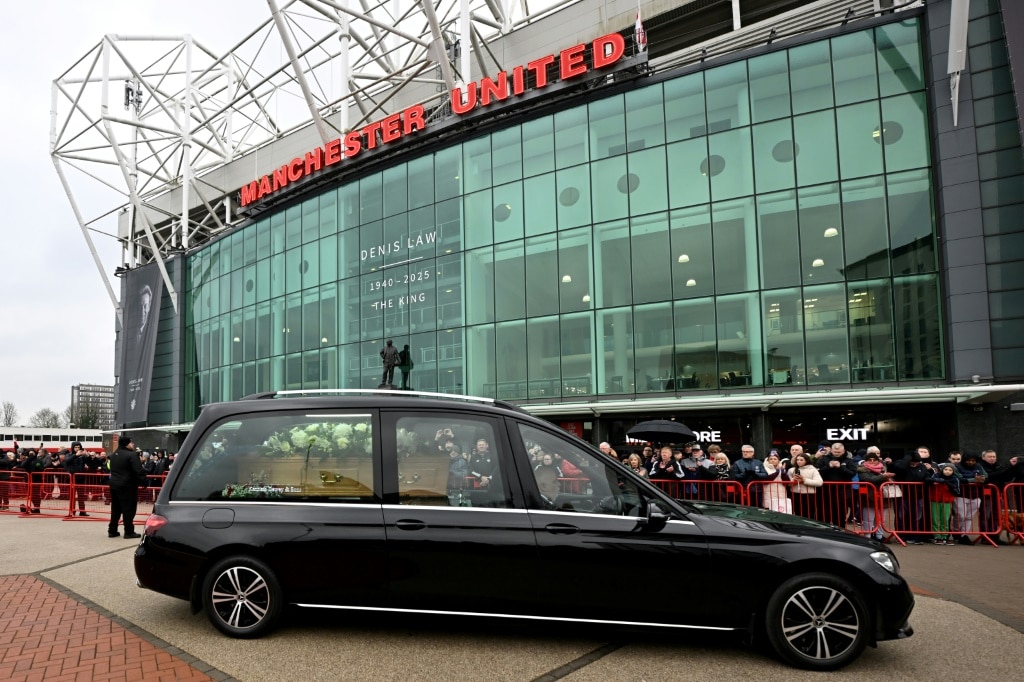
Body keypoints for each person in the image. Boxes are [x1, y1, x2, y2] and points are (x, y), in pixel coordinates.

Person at [108, 435, 146, 538]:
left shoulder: (113, 455)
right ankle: (129, 531)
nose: (133, 444)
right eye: (131, 442)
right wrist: (144, 481)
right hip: (127, 486)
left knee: (115, 508)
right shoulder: (131, 455)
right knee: (129, 509)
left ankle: (112, 530)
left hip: (114, 485)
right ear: (127, 444)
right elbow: (138, 470)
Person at [816, 442, 857, 528]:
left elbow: (852, 473)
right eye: (835, 452)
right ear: (831, 450)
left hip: (842, 493)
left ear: (843, 451)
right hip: (825, 492)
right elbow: (817, 472)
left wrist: (841, 467)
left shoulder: (849, 460)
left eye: (839, 452)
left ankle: (840, 532)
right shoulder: (823, 459)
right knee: (824, 514)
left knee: (840, 515)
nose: (837, 454)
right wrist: (828, 466)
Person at [857, 448, 893, 540]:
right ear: (866, 460)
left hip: (882, 496)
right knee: (868, 519)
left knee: (881, 519)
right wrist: (883, 477)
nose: (872, 461)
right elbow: (869, 480)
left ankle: (879, 536)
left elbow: (889, 481)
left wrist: (889, 479)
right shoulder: (862, 469)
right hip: (869, 497)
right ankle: (867, 536)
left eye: (874, 460)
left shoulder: (883, 468)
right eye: (870, 460)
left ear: (878, 460)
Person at [952, 452, 987, 544]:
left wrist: (978, 479)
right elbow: (960, 478)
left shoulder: (978, 466)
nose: (971, 462)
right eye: (968, 460)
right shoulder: (957, 467)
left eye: (973, 461)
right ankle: (956, 531)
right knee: (960, 515)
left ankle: (964, 534)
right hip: (961, 495)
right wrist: (975, 479)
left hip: (975, 495)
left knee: (969, 517)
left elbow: (985, 476)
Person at [928, 462, 959, 545]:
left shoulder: (955, 479)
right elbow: (928, 480)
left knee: (945, 519)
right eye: (945, 469)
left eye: (950, 470)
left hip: (947, 501)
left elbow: (957, 491)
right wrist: (938, 480)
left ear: (953, 471)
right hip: (935, 500)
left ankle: (945, 536)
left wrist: (950, 485)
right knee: (935, 518)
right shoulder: (936, 476)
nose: (947, 471)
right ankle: (937, 536)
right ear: (942, 470)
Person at [789, 452, 823, 520]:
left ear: (806, 460)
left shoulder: (813, 470)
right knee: (797, 514)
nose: (799, 461)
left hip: (809, 495)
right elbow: (788, 484)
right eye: (797, 460)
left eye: (801, 460)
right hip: (795, 494)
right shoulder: (791, 470)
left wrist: (804, 480)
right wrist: (794, 481)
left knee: (809, 514)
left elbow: (819, 482)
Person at [63, 442, 90, 517]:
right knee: (72, 496)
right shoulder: (69, 454)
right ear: (72, 448)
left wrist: (87, 456)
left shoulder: (82, 456)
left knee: (81, 495)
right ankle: (72, 511)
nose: (77, 449)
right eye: (75, 447)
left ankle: (82, 511)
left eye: (78, 447)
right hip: (71, 478)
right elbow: (66, 460)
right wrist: (75, 455)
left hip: (80, 477)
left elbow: (91, 463)